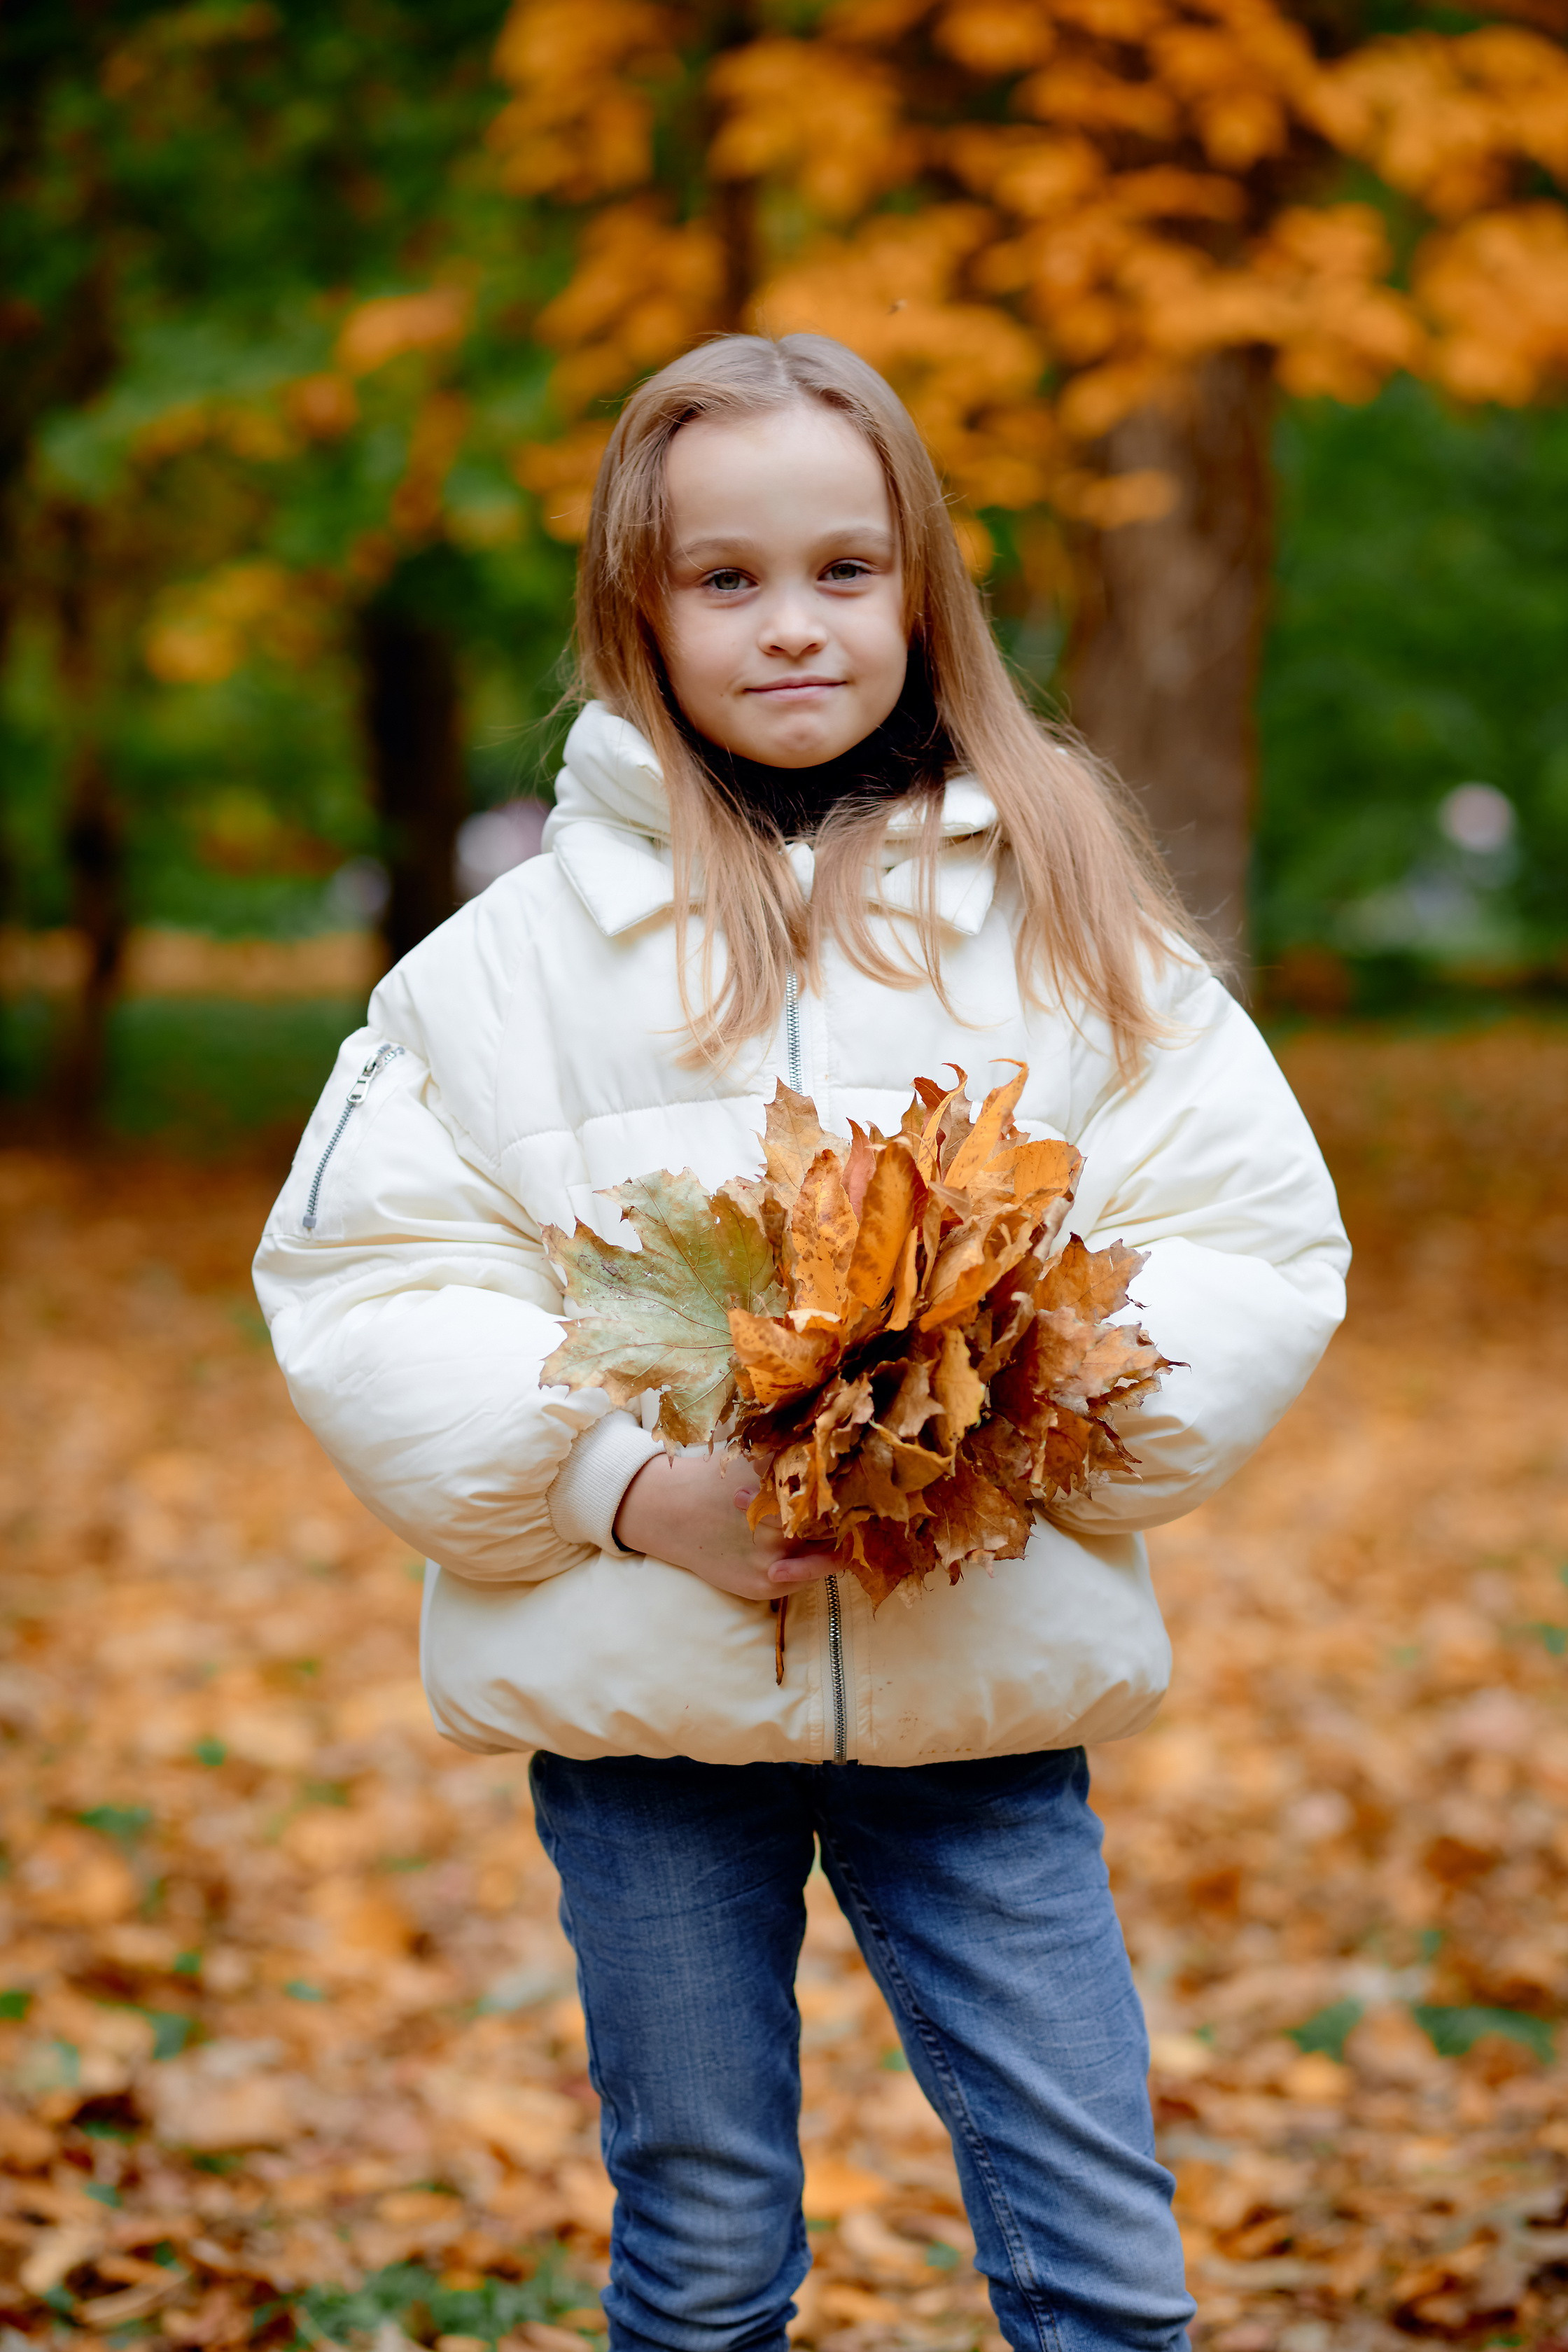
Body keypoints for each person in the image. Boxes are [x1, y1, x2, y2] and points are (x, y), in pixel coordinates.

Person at [254, 333, 1348, 2352]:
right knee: (703, 2230)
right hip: (647, 1721)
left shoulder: (1071, 920)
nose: (792, 626)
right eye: (725, 578)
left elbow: (1246, 1234)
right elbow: (372, 1281)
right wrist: (628, 1488)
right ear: (634, 607)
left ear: (923, 585)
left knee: (1098, 2232)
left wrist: (1024, 1425)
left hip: (982, 1697)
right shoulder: (497, 975)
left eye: (846, 570)